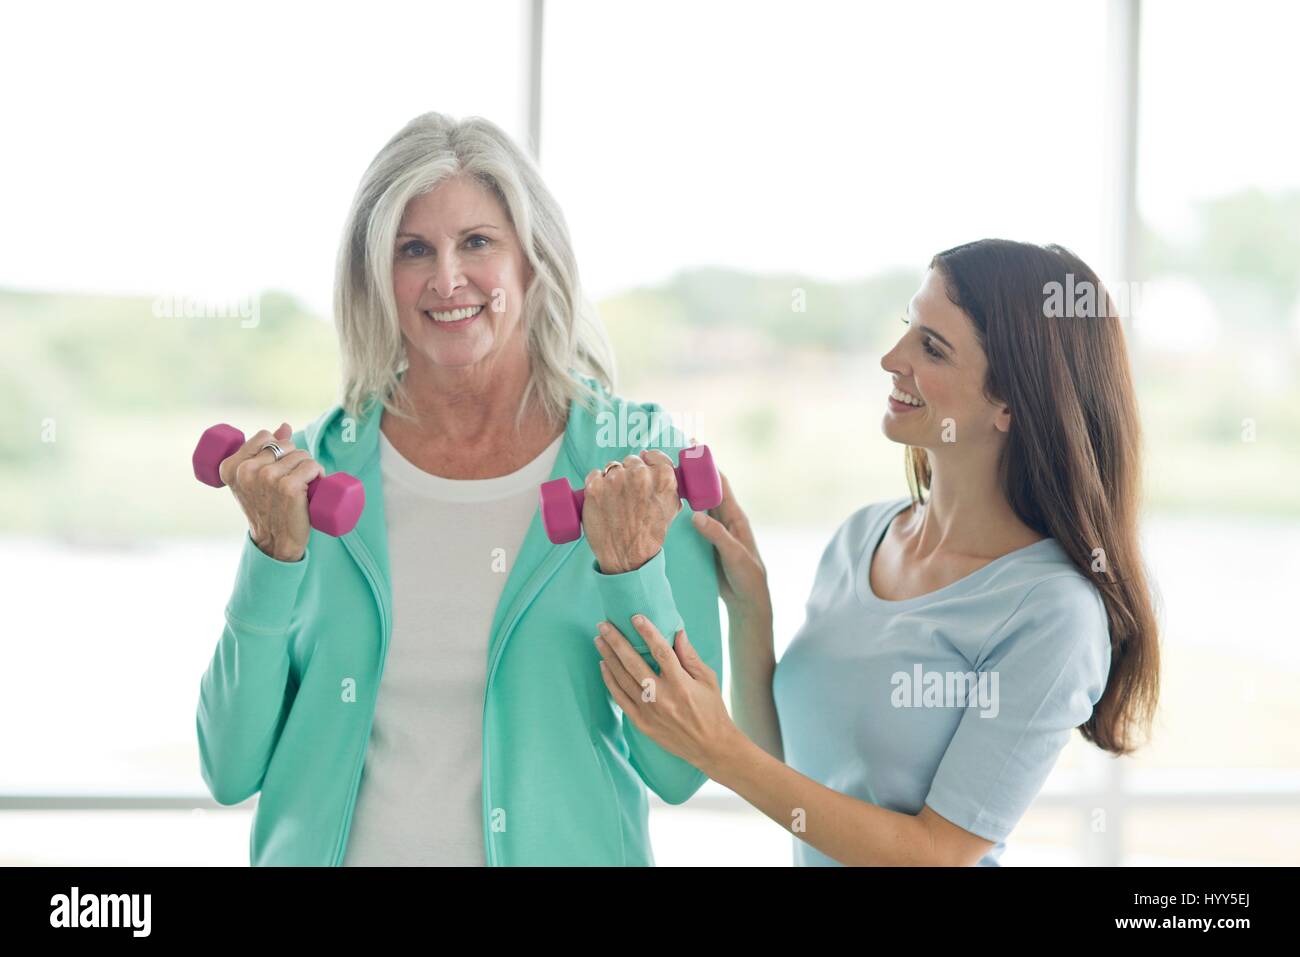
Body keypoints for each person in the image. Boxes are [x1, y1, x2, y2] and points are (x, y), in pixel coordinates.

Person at [195, 112, 721, 866]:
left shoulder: (643, 469)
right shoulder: (308, 475)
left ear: (531, 262)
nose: (447, 279)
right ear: (378, 274)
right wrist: (271, 556)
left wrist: (631, 569)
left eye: (477, 241)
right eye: (415, 250)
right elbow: (228, 766)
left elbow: (681, 769)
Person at [593, 239, 1161, 865]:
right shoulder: (863, 537)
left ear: (1009, 402)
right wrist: (751, 610)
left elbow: (938, 853)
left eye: (932, 348)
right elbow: (790, 771)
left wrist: (714, 748)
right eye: (907, 329)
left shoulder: (1054, 613)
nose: (893, 359)